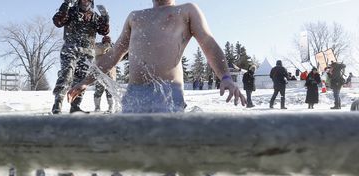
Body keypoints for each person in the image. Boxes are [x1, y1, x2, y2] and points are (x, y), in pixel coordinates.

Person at [67, 0, 246, 113]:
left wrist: (225, 76)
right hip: (134, 97)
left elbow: (208, 43)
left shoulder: (186, 10)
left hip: (167, 94)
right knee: (135, 162)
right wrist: (86, 81)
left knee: (165, 161)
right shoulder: (135, 17)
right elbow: (114, 55)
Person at [51, 0, 110, 114]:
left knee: (82, 79)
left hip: (87, 52)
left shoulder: (94, 17)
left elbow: (104, 31)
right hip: (70, 48)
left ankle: (75, 106)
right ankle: (57, 105)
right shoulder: (71, 11)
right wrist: (66, 4)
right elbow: (58, 22)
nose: (85, 1)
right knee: (67, 74)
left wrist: (106, 17)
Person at [94, 36, 115, 113]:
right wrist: (107, 47)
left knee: (110, 92)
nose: (107, 43)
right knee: (98, 91)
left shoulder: (113, 49)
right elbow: (100, 50)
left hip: (110, 74)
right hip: (100, 74)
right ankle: (97, 107)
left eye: (108, 41)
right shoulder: (98, 47)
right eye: (105, 41)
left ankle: (110, 107)